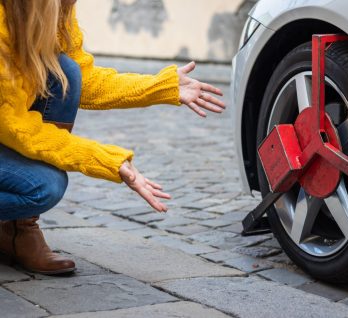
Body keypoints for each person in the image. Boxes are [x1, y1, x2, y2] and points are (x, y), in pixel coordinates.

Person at [0, 0, 225, 275]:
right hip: (7, 125)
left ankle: (15, 231)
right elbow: (15, 126)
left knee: (65, 72)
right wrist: (107, 161)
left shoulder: (53, 8)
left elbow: (86, 81)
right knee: (43, 187)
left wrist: (159, 87)